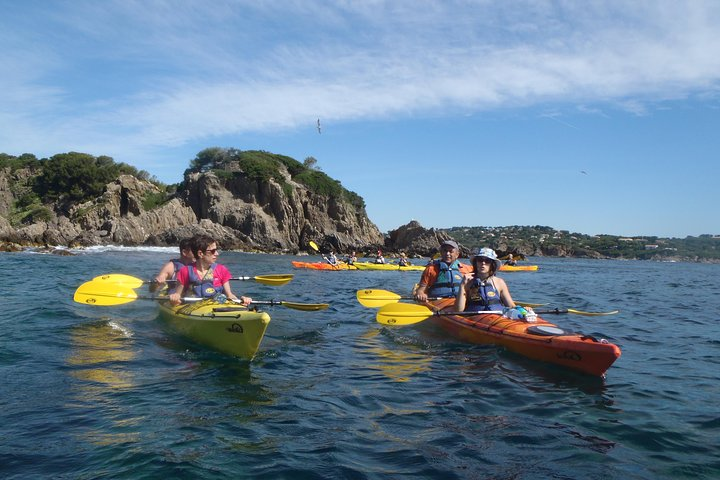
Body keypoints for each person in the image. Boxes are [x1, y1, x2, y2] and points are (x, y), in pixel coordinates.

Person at [168, 235, 252, 306]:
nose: (217, 254)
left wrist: (241, 300)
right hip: (192, 308)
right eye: (213, 251)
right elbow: (178, 296)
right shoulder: (185, 271)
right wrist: (175, 298)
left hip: (217, 307)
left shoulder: (221, 270)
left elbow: (229, 295)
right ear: (200, 254)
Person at [456, 247, 515, 312]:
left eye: (487, 261)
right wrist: (462, 285)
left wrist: (523, 310)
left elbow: (511, 306)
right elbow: (459, 310)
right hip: (475, 318)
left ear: (492, 265)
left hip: (497, 317)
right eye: (480, 260)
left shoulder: (499, 282)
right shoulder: (468, 282)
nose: (483, 263)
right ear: (476, 263)